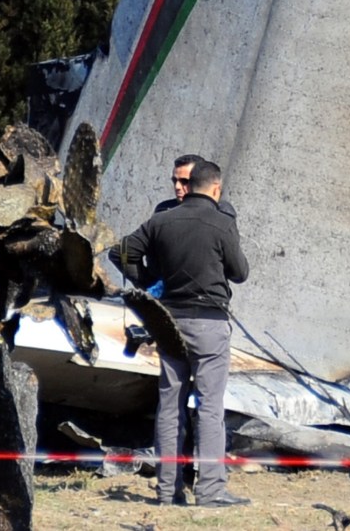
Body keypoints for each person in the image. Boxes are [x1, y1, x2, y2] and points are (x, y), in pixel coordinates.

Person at [117, 158, 250, 508]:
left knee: (169, 404)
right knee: (209, 407)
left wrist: (149, 282)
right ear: (216, 189)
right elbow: (240, 272)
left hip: (169, 322)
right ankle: (210, 491)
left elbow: (121, 252)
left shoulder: (161, 220)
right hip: (209, 323)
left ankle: (167, 491)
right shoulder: (222, 222)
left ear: (190, 185)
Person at [155, 154, 237, 218]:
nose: (177, 187)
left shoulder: (221, 212)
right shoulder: (163, 209)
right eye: (174, 181)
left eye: (185, 181)